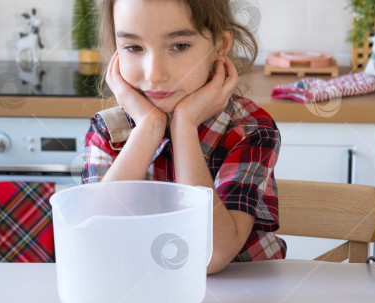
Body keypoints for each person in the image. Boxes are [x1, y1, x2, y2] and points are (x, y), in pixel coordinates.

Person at [82, 0, 286, 273]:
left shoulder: (250, 130)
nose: (154, 75)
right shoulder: (108, 131)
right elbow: (93, 241)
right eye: (133, 47)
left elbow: (210, 256)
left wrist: (185, 127)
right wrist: (149, 128)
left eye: (179, 46)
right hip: (149, 297)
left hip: (243, 298)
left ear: (221, 45)